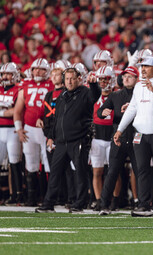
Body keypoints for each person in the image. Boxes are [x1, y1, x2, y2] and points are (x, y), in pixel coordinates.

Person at [114, 57, 153, 216]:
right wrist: (120, 129)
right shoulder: (139, 86)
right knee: (141, 170)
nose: (143, 69)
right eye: (142, 66)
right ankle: (143, 203)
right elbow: (132, 108)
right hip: (140, 133)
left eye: (147, 67)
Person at [35, 67, 101, 213]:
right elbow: (56, 119)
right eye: (67, 79)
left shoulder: (85, 92)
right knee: (55, 172)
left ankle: (80, 203)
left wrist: (94, 84)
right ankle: (48, 203)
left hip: (79, 140)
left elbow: (95, 95)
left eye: (72, 78)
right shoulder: (62, 96)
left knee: (80, 172)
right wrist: (51, 136)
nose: (69, 82)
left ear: (79, 79)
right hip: (61, 142)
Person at [97, 66, 139, 215]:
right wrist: (104, 112)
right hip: (119, 138)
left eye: (130, 76)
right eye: (124, 76)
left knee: (141, 172)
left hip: (136, 137)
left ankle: (143, 203)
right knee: (112, 171)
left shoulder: (140, 94)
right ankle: (104, 205)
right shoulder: (115, 95)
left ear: (136, 79)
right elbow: (100, 111)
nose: (126, 79)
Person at [13, 58, 54, 206]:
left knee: (48, 164)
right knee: (31, 163)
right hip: (29, 129)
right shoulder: (25, 86)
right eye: (35, 69)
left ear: (47, 71)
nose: (37, 71)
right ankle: (32, 197)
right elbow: (18, 110)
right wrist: (18, 129)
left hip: (45, 130)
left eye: (41, 69)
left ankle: (48, 197)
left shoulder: (51, 85)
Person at [90, 65, 115, 210]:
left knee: (113, 172)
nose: (103, 82)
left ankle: (115, 200)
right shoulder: (93, 94)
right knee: (97, 171)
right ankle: (99, 200)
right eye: (100, 80)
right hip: (97, 136)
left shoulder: (117, 94)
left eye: (106, 79)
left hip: (112, 135)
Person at [0, 63, 23, 205]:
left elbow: (16, 111)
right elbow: (10, 110)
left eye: (8, 73)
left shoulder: (18, 90)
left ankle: (17, 194)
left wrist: (3, 112)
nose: (5, 76)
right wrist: (5, 112)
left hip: (12, 129)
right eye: (3, 74)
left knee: (15, 163)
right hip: (0, 130)